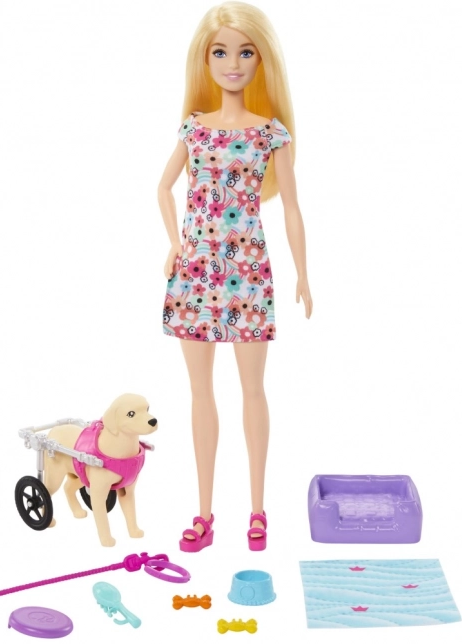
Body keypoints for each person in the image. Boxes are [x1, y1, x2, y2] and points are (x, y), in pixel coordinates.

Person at [159, 1, 313, 552]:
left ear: (261, 60)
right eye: (221, 52)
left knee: (252, 390)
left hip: (247, 274)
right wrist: (175, 243)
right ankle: (203, 513)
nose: (232, 64)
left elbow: (291, 206)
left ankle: (257, 509)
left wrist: (303, 272)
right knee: (200, 392)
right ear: (204, 60)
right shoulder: (194, 129)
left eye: (245, 52)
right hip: (194, 273)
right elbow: (162, 187)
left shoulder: (271, 133)